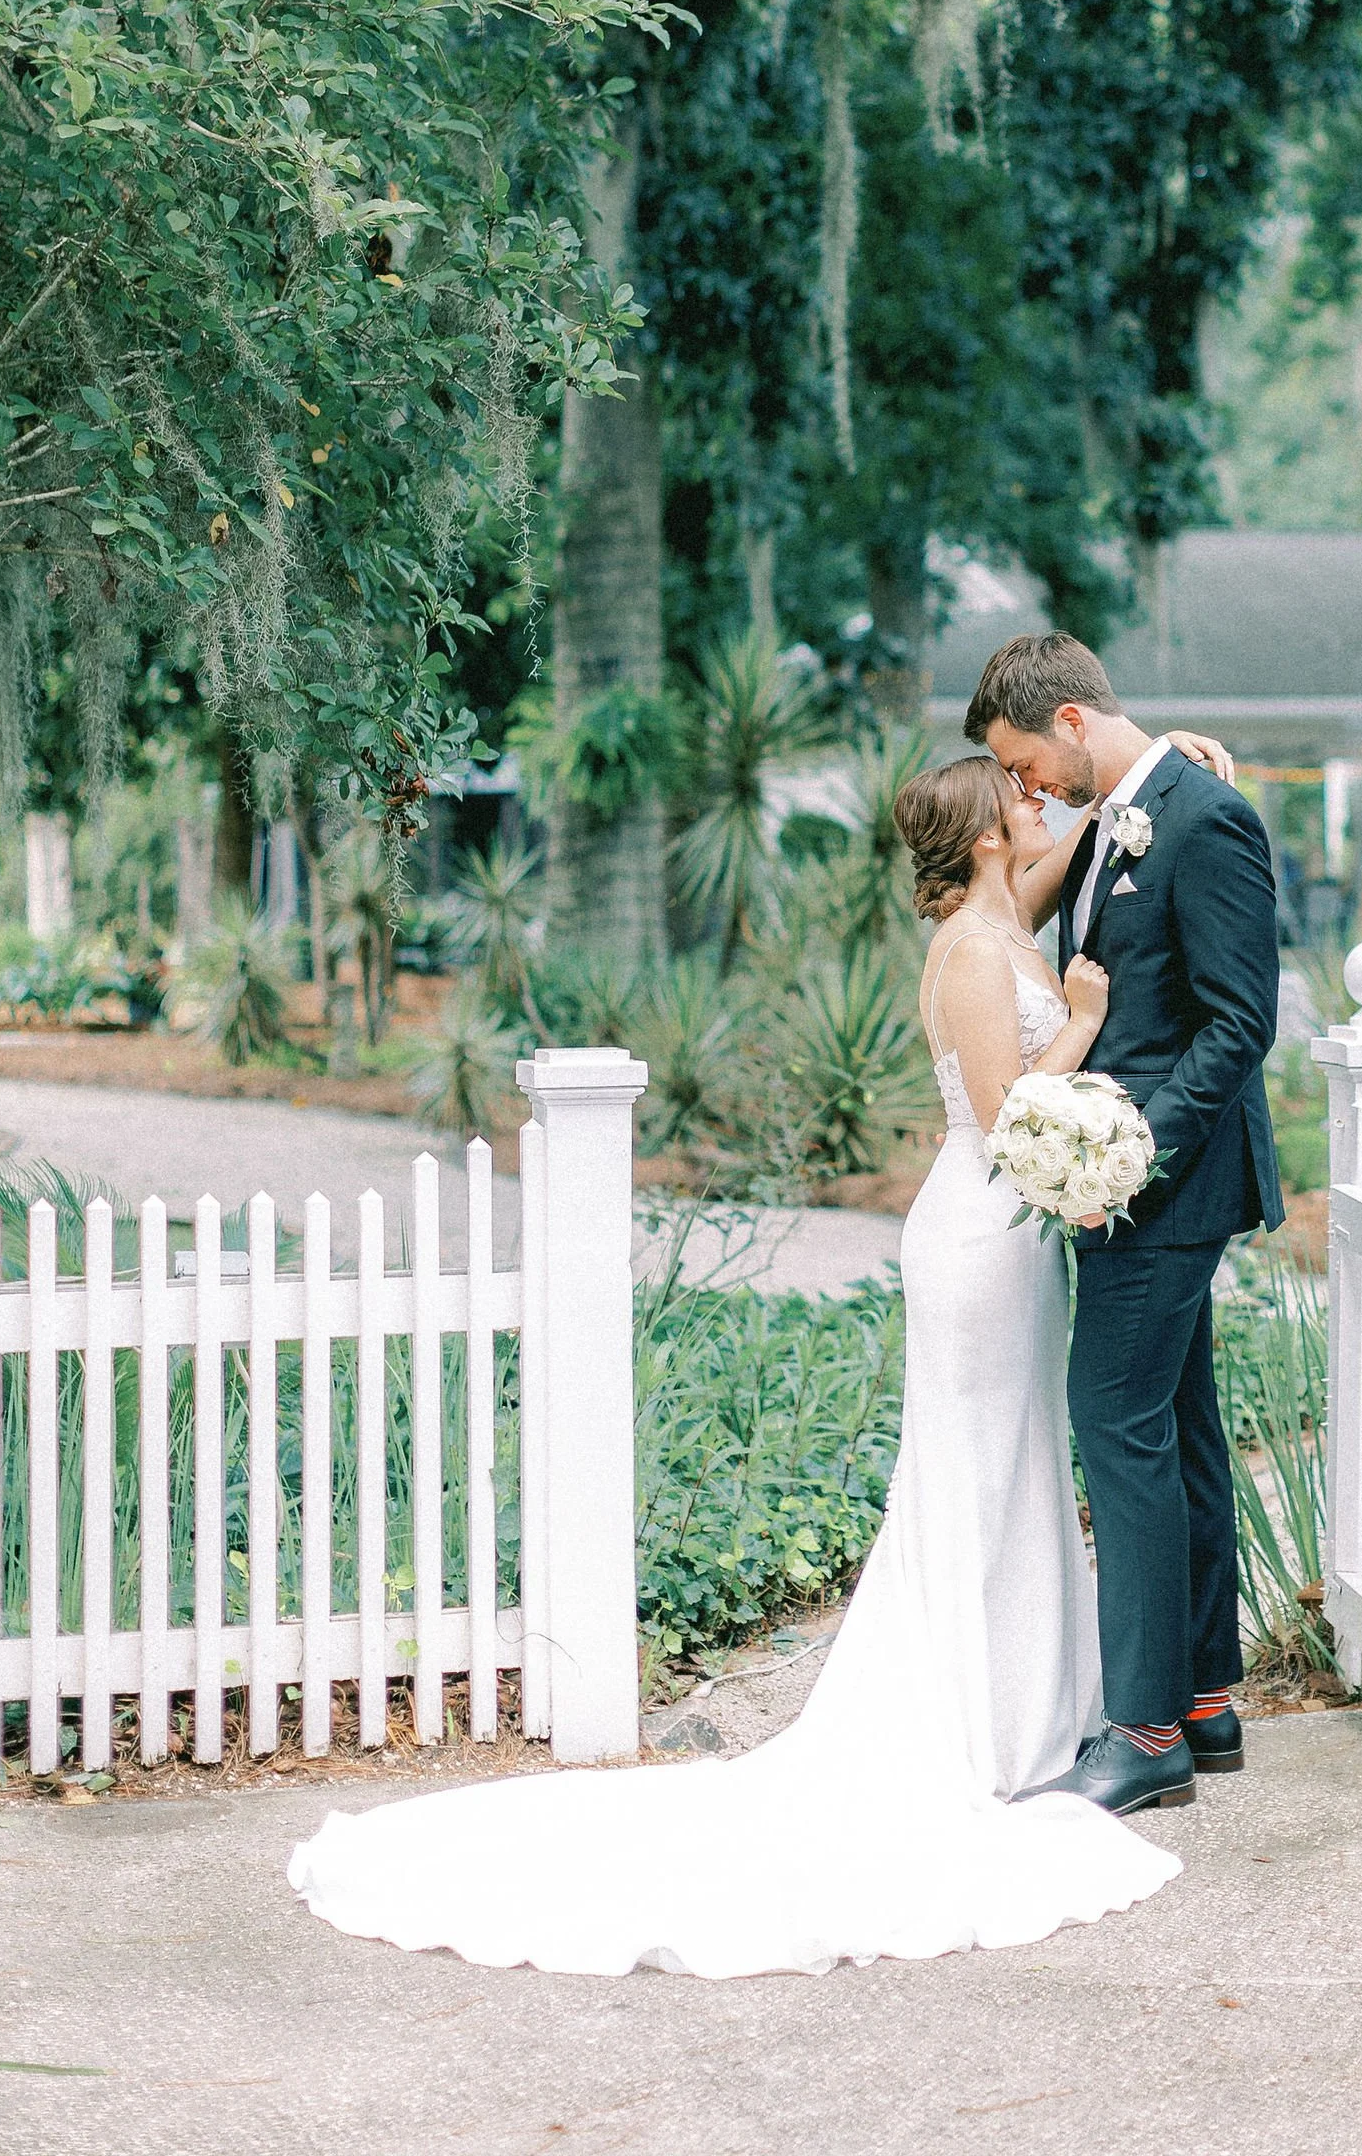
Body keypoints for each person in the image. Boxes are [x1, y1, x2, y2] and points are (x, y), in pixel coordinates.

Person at [287, 730, 1231, 1980]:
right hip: (974, 1233)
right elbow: (1009, 1118)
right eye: (1022, 801)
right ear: (989, 838)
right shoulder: (965, 954)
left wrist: (1170, 762)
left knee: (1009, 1460)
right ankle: (968, 1720)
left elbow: (1084, 845)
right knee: (969, 1464)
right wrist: (1091, 1021)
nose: (1041, 807)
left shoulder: (1003, 916)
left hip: (1009, 1242)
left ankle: (1028, 1705)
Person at [967, 630, 1281, 1819]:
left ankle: (1141, 1728)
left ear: (1066, 722)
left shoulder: (1202, 819)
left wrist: (1133, 1151)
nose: (1027, 791)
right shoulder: (1119, 815)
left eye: (1025, 765)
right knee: (1179, 1424)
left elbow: (1239, 1022)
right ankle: (1200, 1697)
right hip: (1124, 1176)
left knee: (1115, 1425)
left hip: (1161, 1182)